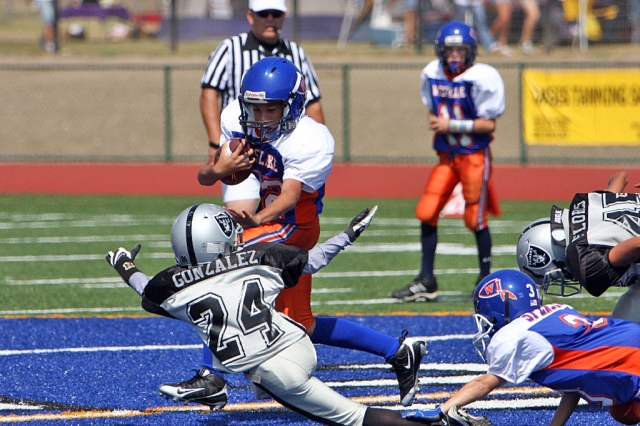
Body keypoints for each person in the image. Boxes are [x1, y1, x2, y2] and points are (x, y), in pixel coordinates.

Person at [168, 58, 427, 410]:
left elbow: (289, 196)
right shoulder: (235, 118)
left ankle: (212, 377)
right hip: (268, 222)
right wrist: (217, 169)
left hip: (296, 227)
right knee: (300, 323)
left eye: (270, 109)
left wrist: (255, 219)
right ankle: (398, 352)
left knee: (222, 266)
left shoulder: (310, 137)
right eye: (254, 108)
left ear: (292, 105)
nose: (260, 118)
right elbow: (204, 177)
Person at [105, 203, 439, 426]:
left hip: (272, 368)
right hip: (294, 340)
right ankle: (214, 381)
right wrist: (347, 235)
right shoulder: (260, 256)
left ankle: (440, 419)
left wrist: (123, 264)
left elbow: (144, 285)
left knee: (356, 418)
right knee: (241, 314)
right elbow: (315, 260)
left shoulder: (172, 286)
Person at [402, 269, 640, 426]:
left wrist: (442, 409)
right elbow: (574, 383)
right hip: (628, 340)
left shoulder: (514, 335)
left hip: (629, 361)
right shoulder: (556, 310)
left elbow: (486, 382)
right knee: (624, 412)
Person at [391, 21, 504, 303]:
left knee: (475, 218)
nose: (454, 56)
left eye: (460, 50)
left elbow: (489, 125)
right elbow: (433, 111)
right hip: (448, 157)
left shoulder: (483, 77)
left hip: (474, 156)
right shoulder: (431, 73)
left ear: (471, 51)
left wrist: (450, 123)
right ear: (441, 51)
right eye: (450, 50)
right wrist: (444, 123)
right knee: (427, 211)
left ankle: (485, 279)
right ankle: (427, 279)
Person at [200, 0, 324, 214]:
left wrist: (313, 148)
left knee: (288, 219)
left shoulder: (296, 52)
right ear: (250, 16)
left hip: (285, 152)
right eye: (263, 13)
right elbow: (209, 94)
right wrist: (214, 141)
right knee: (241, 220)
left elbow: (313, 103)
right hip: (243, 150)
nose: (270, 19)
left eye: (275, 14)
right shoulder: (230, 49)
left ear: (283, 17)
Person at [516, 171, 640, 323]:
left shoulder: (587, 261)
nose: (563, 279)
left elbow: (636, 244)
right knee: (625, 323)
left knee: (624, 331)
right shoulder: (582, 209)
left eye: (555, 277)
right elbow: (620, 177)